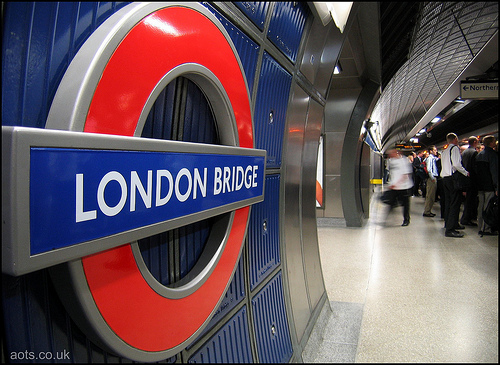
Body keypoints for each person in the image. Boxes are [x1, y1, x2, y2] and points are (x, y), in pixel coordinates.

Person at [440, 133, 469, 238]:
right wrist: (465, 172)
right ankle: (450, 230)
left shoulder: (445, 151)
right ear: (455, 139)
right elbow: (456, 164)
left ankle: (449, 224)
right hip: (452, 179)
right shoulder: (455, 149)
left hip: (445, 178)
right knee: (455, 203)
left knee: (448, 202)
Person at [475, 135, 498, 235]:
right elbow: (494, 172)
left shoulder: (479, 155)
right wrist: (496, 186)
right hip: (489, 185)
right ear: (491, 143)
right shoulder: (492, 155)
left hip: (480, 185)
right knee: (488, 207)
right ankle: (486, 228)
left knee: (481, 206)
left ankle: (480, 226)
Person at [385, 148, 413, 226]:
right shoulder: (392, 161)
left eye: (391, 154)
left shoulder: (403, 161)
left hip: (404, 187)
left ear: (396, 153)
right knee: (390, 203)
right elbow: (391, 173)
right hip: (394, 187)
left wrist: (396, 183)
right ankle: (386, 218)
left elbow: (405, 175)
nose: (390, 155)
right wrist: (391, 184)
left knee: (405, 205)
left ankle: (406, 220)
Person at [460, 136, 479, 226]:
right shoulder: (474, 152)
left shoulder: (465, 152)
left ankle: (466, 218)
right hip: (472, 179)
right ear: (474, 142)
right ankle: (466, 219)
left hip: (465, 179)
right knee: (471, 200)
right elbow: (475, 167)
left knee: (468, 200)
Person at [423, 145, 438, 217]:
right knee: (430, 196)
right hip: (431, 179)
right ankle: (427, 211)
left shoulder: (433, 158)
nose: (436, 151)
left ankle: (428, 210)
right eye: (435, 150)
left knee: (431, 196)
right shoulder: (430, 158)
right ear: (431, 151)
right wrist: (432, 178)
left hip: (432, 178)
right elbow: (429, 169)